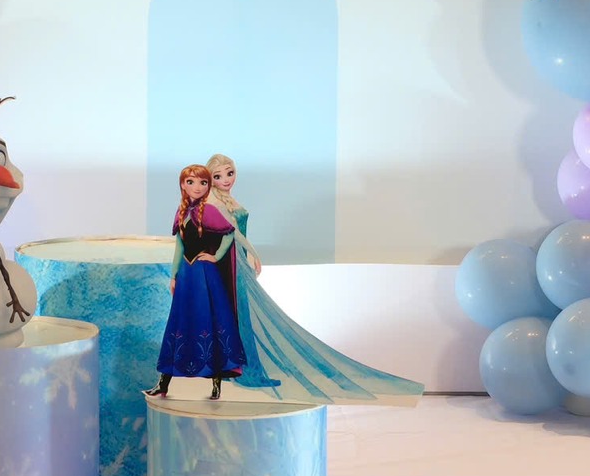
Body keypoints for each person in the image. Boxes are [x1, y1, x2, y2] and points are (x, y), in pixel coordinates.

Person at [208, 153, 424, 406]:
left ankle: (241, 369)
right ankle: (238, 370)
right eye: (218, 176)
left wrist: (249, 256)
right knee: (237, 314)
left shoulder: (227, 198)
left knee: (241, 315)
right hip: (230, 263)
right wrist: (254, 254)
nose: (226, 179)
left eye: (230, 173)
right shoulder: (214, 200)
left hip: (239, 260)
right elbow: (231, 234)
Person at [147, 165, 247, 400]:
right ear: (183, 184)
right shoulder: (181, 212)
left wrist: (216, 256)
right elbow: (179, 247)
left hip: (205, 274)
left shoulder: (210, 210)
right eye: (191, 182)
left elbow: (229, 233)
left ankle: (216, 383)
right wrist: (173, 275)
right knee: (178, 324)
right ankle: (163, 383)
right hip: (187, 274)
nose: (197, 187)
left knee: (210, 323)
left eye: (203, 183)